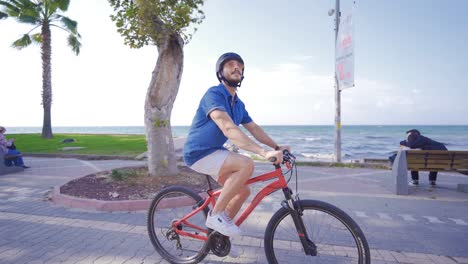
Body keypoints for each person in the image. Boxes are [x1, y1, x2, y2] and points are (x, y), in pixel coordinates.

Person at [183, 52, 288, 238]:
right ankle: (215, 216)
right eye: (230, 64)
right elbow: (228, 128)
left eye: (239, 65)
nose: (236, 67)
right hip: (198, 153)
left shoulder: (238, 104)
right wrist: (262, 152)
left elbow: (254, 129)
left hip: (215, 153)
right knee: (246, 164)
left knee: (243, 191)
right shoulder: (214, 94)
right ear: (220, 71)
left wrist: (277, 147)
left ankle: (217, 236)